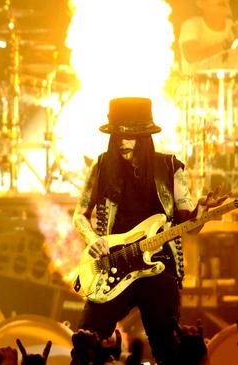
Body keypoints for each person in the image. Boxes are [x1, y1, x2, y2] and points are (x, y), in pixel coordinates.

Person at [71, 97, 226, 364]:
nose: (122, 141)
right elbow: (79, 215)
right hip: (113, 266)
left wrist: (200, 213)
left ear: (145, 137)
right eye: (118, 134)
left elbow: (191, 225)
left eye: (131, 135)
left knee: (170, 349)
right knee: (86, 342)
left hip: (158, 266)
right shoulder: (101, 167)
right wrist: (93, 240)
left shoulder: (169, 168)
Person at [179, 0, 237, 74]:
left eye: (227, 3)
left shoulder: (233, 27)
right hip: (196, 84)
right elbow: (191, 56)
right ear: (201, 3)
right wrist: (226, 44)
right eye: (221, 4)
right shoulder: (191, 26)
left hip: (231, 84)